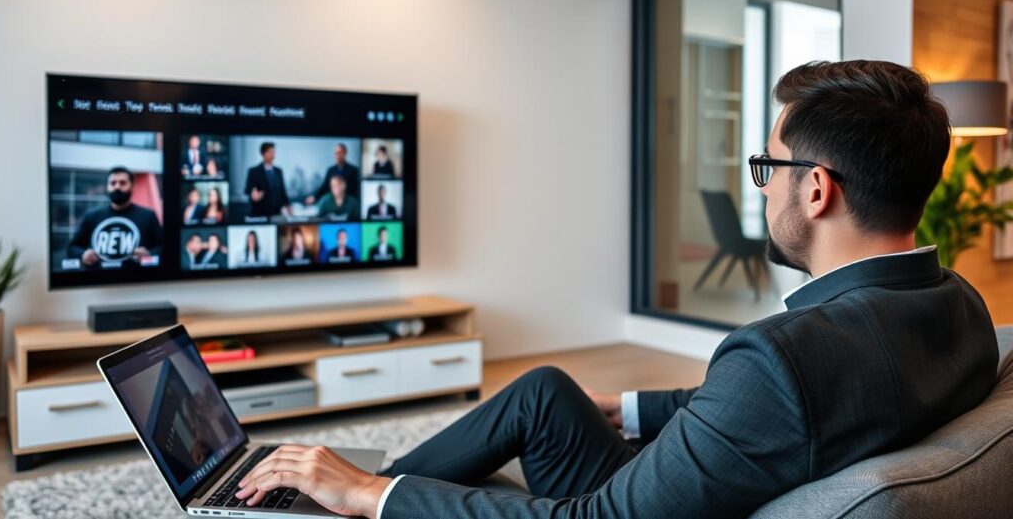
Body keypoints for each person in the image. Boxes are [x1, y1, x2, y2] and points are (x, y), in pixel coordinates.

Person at [233, 61, 1001, 518]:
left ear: (817, 190)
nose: (761, 191)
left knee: (400, 478)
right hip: (709, 482)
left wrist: (375, 492)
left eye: (767, 169)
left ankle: (353, 499)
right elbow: (767, 420)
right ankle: (336, 491)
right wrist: (628, 407)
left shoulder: (781, 358)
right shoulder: (963, 307)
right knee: (543, 391)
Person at [67, 166, 163, 269]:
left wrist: (148, 254)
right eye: (113, 183)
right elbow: (72, 248)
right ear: (107, 187)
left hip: (136, 281)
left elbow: (163, 248)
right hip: (98, 281)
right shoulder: (92, 216)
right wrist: (83, 254)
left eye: (123, 183)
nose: (117, 186)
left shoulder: (148, 216)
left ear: (132, 186)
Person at [244, 142, 291, 219]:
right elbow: (248, 189)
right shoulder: (254, 171)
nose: (273, 156)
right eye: (270, 153)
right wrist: (253, 194)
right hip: (260, 213)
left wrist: (288, 205)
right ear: (263, 154)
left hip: (277, 213)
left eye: (274, 153)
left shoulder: (278, 171)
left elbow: (283, 191)